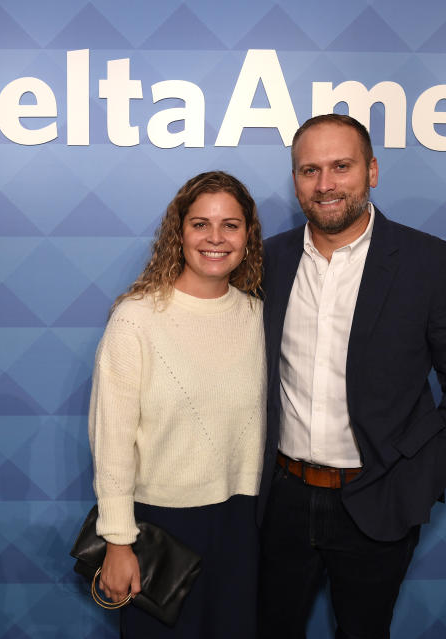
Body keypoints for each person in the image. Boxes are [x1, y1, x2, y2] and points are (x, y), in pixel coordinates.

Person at [256, 114, 446, 638]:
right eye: (309, 170)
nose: (325, 185)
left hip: (378, 500)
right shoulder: (267, 260)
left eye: (341, 166)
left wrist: (416, 481)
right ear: (295, 179)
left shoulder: (428, 262)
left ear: (372, 171)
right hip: (281, 501)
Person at [88, 171, 265, 638]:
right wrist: (119, 541)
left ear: (249, 236)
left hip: (242, 524)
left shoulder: (261, 317)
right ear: (179, 233)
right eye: (200, 223)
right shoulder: (137, 318)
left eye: (230, 225)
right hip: (159, 527)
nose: (215, 238)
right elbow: (112, 440)